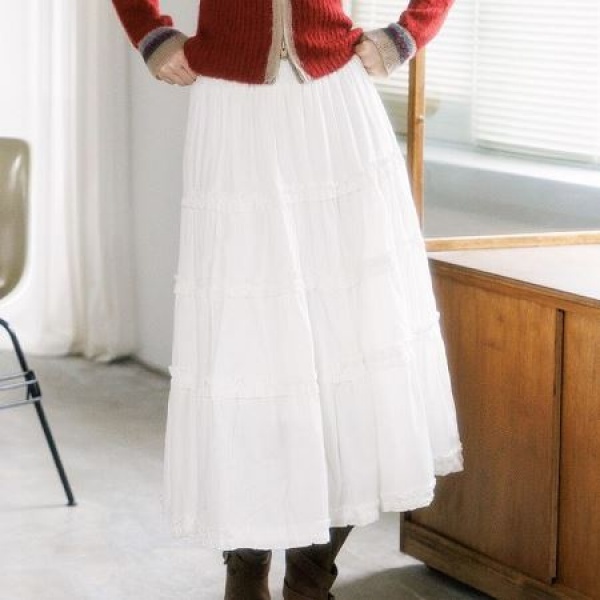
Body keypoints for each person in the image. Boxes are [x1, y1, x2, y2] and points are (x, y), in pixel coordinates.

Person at [111, 1, 463, 599]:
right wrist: (149, 34)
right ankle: (245, 567)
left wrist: (407, 34)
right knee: (247, 349)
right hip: (234, 113)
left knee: (353, 344)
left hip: (335, 110)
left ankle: (311, 577)